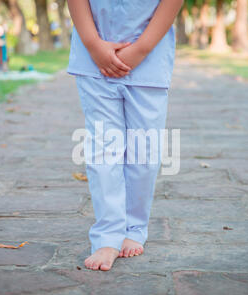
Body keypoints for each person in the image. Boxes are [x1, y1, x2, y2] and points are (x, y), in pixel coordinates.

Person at [67, 0, 183, 271]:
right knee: (103, 148)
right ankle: (107, 235)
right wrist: (94, 45)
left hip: (149, 57)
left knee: (144, 152)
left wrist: (140, 50)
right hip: (93, 56)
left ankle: (134, 226)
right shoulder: (93, 49)